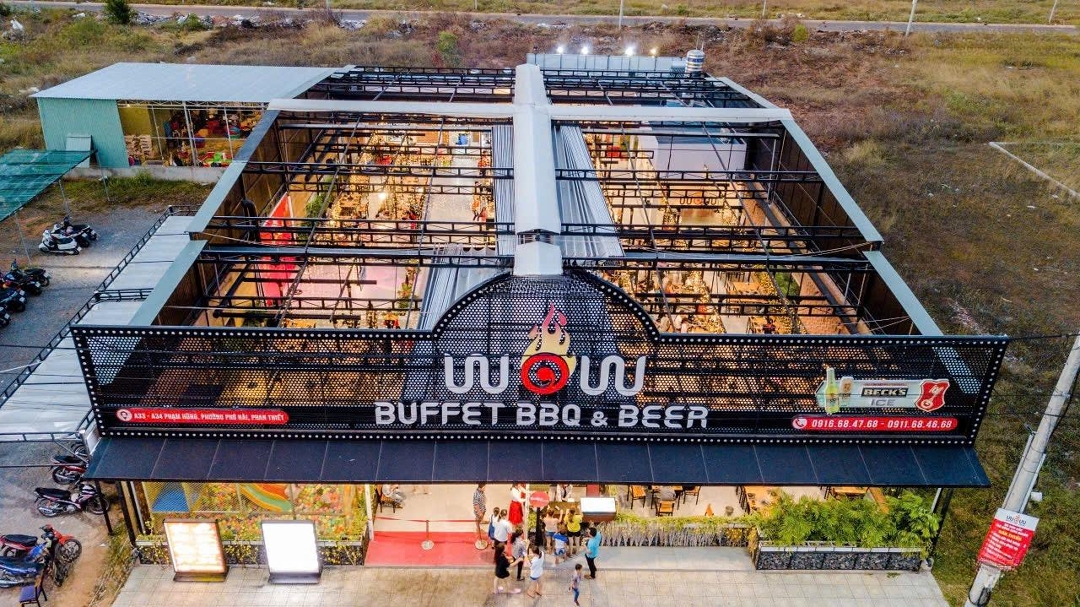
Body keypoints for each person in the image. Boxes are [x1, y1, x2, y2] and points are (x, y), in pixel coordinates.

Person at [473, 484, 488, 549]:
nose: (485, 488)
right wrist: (480, 513)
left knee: (481, 519)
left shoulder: (481, 491)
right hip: (479, 513)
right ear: (480, 487)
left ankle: (481, 521)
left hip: (483, 509)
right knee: (478, 525)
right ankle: (479, 539)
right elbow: (476, 505)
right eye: (484, 487)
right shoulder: (476, 494)